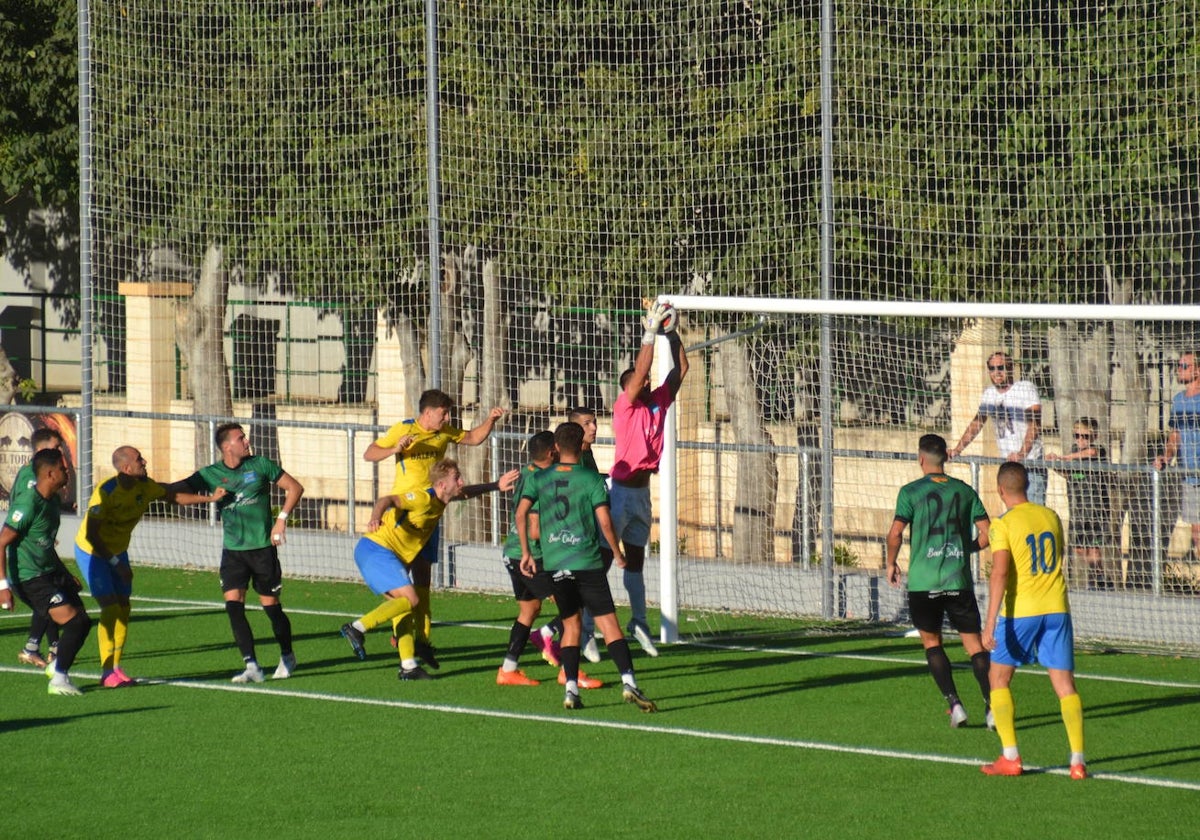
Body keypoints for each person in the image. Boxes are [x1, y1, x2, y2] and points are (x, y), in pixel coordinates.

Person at [516, 421, 657, 712]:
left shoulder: (538, 479)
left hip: (556, 563)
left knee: (571, 625)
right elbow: (605, 520)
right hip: (587, 562)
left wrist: (527, 553)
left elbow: (521, 513)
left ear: (555, 447)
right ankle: (629, 682)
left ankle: (570, 690)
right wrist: (617, 552)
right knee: (609, 625)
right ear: (581, 445)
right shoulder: (591, 479)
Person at [362, 388, 506, 668]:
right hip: (406, 513)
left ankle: (423, 641)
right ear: (427, 413)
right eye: (444, 413)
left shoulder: (444, 432)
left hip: (431, 513)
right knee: (402, 586)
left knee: (423, 582)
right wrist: (395, 449)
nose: (448, 418)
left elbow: (474, 438)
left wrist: (491, 420)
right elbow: (370, 454)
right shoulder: (404, 429)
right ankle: (395, 635)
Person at [340, 458, 518, 680]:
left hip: (389, 555)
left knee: (405, 605)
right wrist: (375, 517)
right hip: (376, 550)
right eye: (457, 478)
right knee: (412, 600)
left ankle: (408, 665)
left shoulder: (443, 498)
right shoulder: (423, 498)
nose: (461, 481)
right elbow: (387, 499)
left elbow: (465, 492)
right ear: (442, 484)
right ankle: (356, 628)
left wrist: (495, 485)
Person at [74, 446, 226, 687]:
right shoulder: (105, 492)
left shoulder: (145, 486)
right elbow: (92, 535)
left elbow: (173, 496)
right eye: (138, 460)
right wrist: (115, 563)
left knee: (124, 606)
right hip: (92, 552)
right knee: (110, 607)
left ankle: (116, 667)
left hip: (117, 551)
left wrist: (211, 499)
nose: (144, 461)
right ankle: (106, 672)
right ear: (126, 468)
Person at [981, 462, 1086, 779]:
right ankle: (1078, 761)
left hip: (1021, 612)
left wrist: (988, 625)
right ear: (1026, 485)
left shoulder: (1003, 524)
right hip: (1057, 608)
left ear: (1001, 490)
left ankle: (1010, 757)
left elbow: (1000, 572)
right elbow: (1058, 557)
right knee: (1065, 685)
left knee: (998, 679)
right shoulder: (1050, 516)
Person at [180, 423, 304, 683]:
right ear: (227, 447)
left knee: (271, 608)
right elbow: (177, 492)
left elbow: (295, 488)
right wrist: (209, 500)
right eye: (241, 438)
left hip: (262, 550)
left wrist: (281, 519)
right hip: (233, 552)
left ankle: (287, 655)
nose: (246, 441)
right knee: (233, 606)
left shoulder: (260, 465)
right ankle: (251, 665)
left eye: (244, 437)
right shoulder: (211, 473)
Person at [885, 434, 992, 728]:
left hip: (923, 582)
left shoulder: (910, 492)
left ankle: (955, 704)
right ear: (945, 457)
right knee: (974, 646)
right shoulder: (965, 491)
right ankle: (992, 707)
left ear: (921, 459)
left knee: (932, 642)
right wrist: (967, 547)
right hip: (958, 580)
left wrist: (891, 562)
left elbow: (895, 533)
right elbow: (987, 533)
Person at [609, 301, 688, 656]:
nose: (643, 382)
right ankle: (572, 627)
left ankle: (638, 621)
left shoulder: (657, 402)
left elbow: (681, 368)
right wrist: (649, 333)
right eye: (636, 381)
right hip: (620, 494)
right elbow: (640, 373)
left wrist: (670, 332)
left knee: (637, 559)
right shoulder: (625, 406)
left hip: (642, 494)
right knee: (599, 561)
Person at [0, 449, 91, 696]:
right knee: (75, 621)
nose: (67, 473)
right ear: (50, 473)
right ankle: (58, 678)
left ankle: (56, 666)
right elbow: (1, 541)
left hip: (49, 572)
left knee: (83, 621)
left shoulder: (51, 502)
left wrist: (64, 572)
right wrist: (3, 587)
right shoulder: (28, 503)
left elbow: (46, 544)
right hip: (30, 579)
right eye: (63, 469)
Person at [950, 351, 1046, 504]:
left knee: (1033, 512)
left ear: (1010, 368)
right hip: (1008, 466)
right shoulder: (989, 394)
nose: (996, 372)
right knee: (1014, 515)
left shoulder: (1025, 388)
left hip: (1030, 464)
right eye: (992, 368)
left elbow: (1035, 424)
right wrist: (957, 449)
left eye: (1001, 367)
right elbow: (977, 423)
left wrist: (1022, 453)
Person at [10, 427, 64, 668]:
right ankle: (39, 648)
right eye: (56, 447)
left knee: (53, 597)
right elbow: (21, 512)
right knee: (50, 600)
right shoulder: (31, 479)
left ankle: (51, 648)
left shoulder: (38, 478)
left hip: (40, 553)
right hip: (27, 559)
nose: (60, 452)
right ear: (42, 450)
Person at [1047, 417, 1113, 589]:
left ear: (1094, 436)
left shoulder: (1098, 450)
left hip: (1096, 507)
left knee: (1094, 548)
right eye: (1077, 436)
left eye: (1085, 436)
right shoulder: (1074, 451)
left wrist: (1063, 457)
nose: (1081, 440)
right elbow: (1070, 475)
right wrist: (1054, 465)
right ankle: (1100, 576)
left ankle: (1096, 580)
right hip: (1078, 507)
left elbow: (1090, 454)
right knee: (1078, 547)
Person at [1153, 350, 1200, 561]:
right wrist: (1166, 456)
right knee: (1197, 535)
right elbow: (1175, 435)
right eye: (1178, 366)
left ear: (1197, 370)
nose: (1178, 370)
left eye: (1184, 366)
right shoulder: (1179, 400)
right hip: (1190, 478)